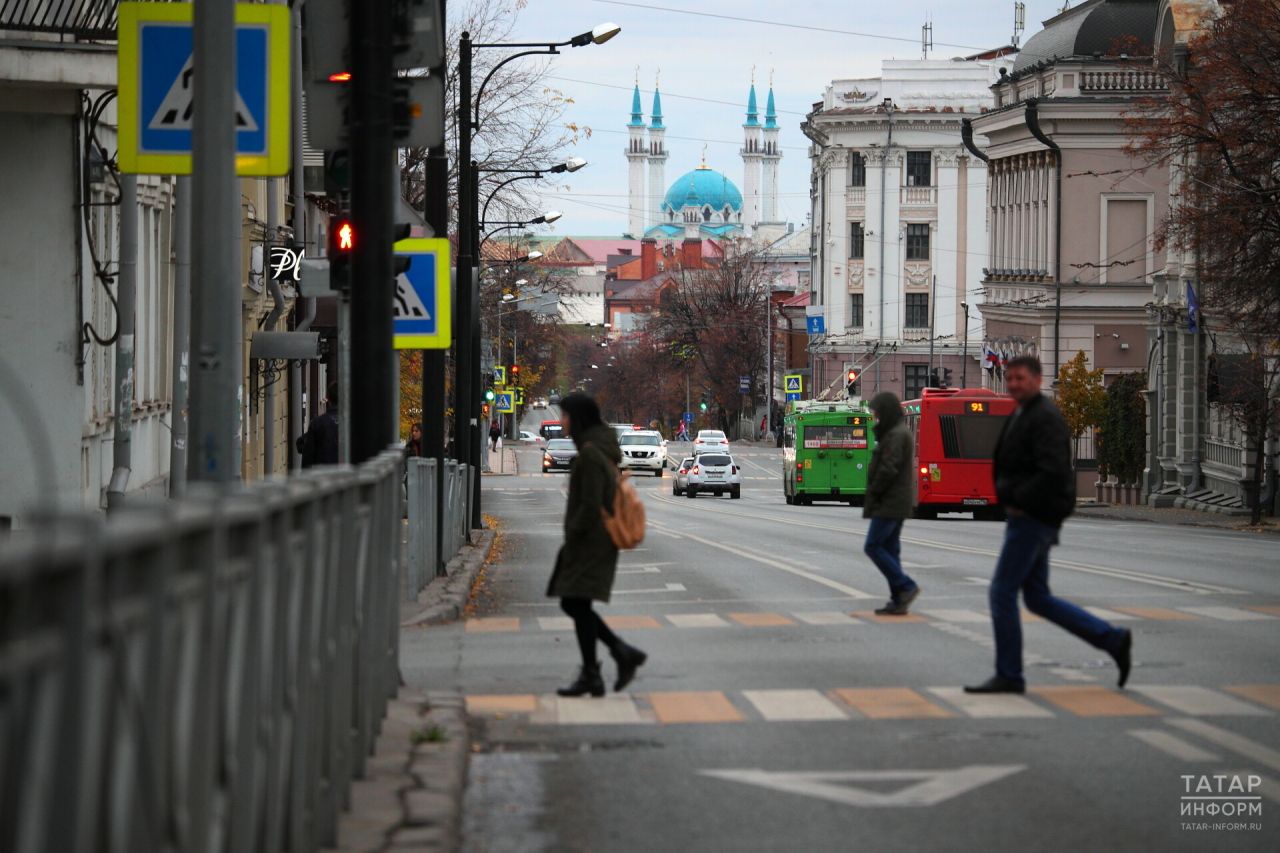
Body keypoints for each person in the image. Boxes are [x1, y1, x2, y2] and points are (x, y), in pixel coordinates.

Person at [966, 355, 1132, 694]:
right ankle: (1112, 639)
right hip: (1029, 515)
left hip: (1032, 517)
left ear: (1037, 380)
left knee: (1001, 592)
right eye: (1009, 378)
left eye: (1020, 378)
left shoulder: (1044, 417)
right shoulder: (1024, 412)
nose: (1013, 384)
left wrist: (1017, 500)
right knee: (1038, 598)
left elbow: (1053, 472)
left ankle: (1010, 674)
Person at [546, 391, 648, 697]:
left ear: (576, 419)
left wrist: (573, 534)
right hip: (593, 539)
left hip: (591, 539)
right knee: (576, 602)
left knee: (574, 601)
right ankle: (603, 664)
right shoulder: (597, 449)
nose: (562, 421)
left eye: (564, 415)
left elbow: (590, 504)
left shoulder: (590, 454)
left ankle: (610, 659)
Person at [862, 391, 921, 615]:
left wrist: (874, 491)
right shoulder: (894, 432)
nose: (875, 416)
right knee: (890, 549)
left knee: (874, 546)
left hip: (890, 500)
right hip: (895, 500)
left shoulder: (895, 435)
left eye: (877, 412)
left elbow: (888, 468)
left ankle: (906, 586)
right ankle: (898, 598)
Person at [298, 382, 340, 467]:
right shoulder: (354, 422)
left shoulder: (318, 423)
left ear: (328, 399)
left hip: (324, 475)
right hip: (351, 476)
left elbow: (308, 455)